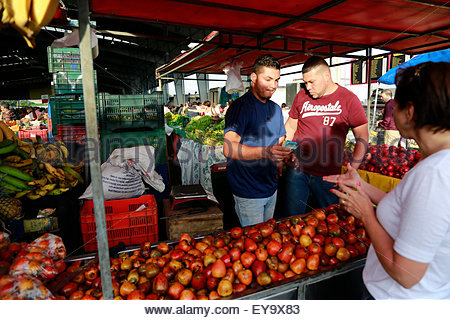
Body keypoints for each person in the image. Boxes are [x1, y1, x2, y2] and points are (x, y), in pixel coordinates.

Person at [325, 62, 450, 299]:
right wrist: (362, 185)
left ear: (410, 112)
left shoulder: (435, 174)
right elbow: (413, 211)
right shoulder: (438, 166)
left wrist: (366, 215)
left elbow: (407, 275)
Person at [284, 56, 369, 216]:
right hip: (297, 171)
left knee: (330, 221)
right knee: (292, 219)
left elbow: (362, 138)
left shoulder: (349, 99)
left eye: (312, 82)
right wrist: (285, 152)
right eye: (305, 82)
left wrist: (353, 168)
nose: (308, 87)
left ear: (326, 76)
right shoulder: (302, 96)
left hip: (329, 175)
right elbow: (290, 126)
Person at [224, 54, 291, 227]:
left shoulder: (275, 109)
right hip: (248, 192)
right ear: (253, 77)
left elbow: (279, 139)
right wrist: (265, 152)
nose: (273, 86)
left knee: (267, 239)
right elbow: (229, 148)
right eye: (268, 79)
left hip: (270, 187)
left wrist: (280, 160)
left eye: (276, 80)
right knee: (255, 245)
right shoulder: (240, 108)